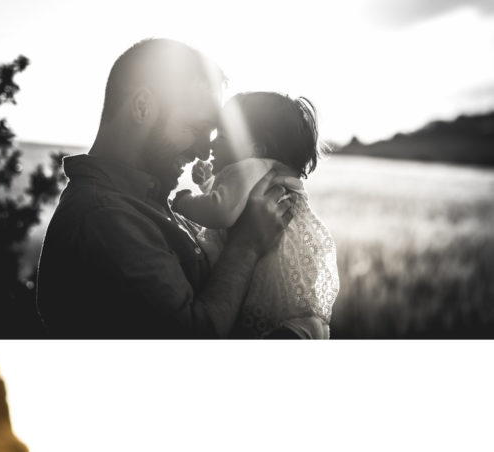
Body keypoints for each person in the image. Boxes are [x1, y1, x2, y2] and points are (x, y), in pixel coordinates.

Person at [35, 37, 296, 338]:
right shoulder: (103, 217)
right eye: (197, 128)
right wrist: (246, 246)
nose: (202, 150)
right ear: (143, 107)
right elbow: (194, 337)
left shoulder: (144, 199)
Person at [173, 92, 339, 337]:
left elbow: (222, 211)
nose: (212, 143)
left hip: (272, 277)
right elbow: (235, 201)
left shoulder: (251, 166)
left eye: (222, 134)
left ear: (254, 149)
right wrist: (209, 183)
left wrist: (183, 202)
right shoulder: (262, 170)